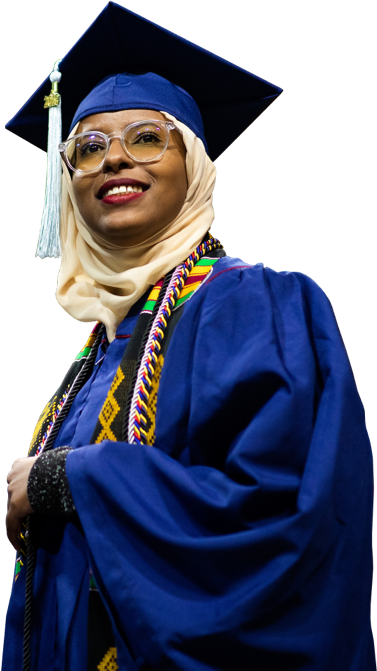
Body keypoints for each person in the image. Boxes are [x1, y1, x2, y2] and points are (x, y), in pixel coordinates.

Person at [3, 3, 375, 671]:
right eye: (86, 148)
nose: (113, 157)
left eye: (146, 137)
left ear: (195, 164)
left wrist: (63, 477)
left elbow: (284, 509)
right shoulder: (100, 345)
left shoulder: (251, 300)